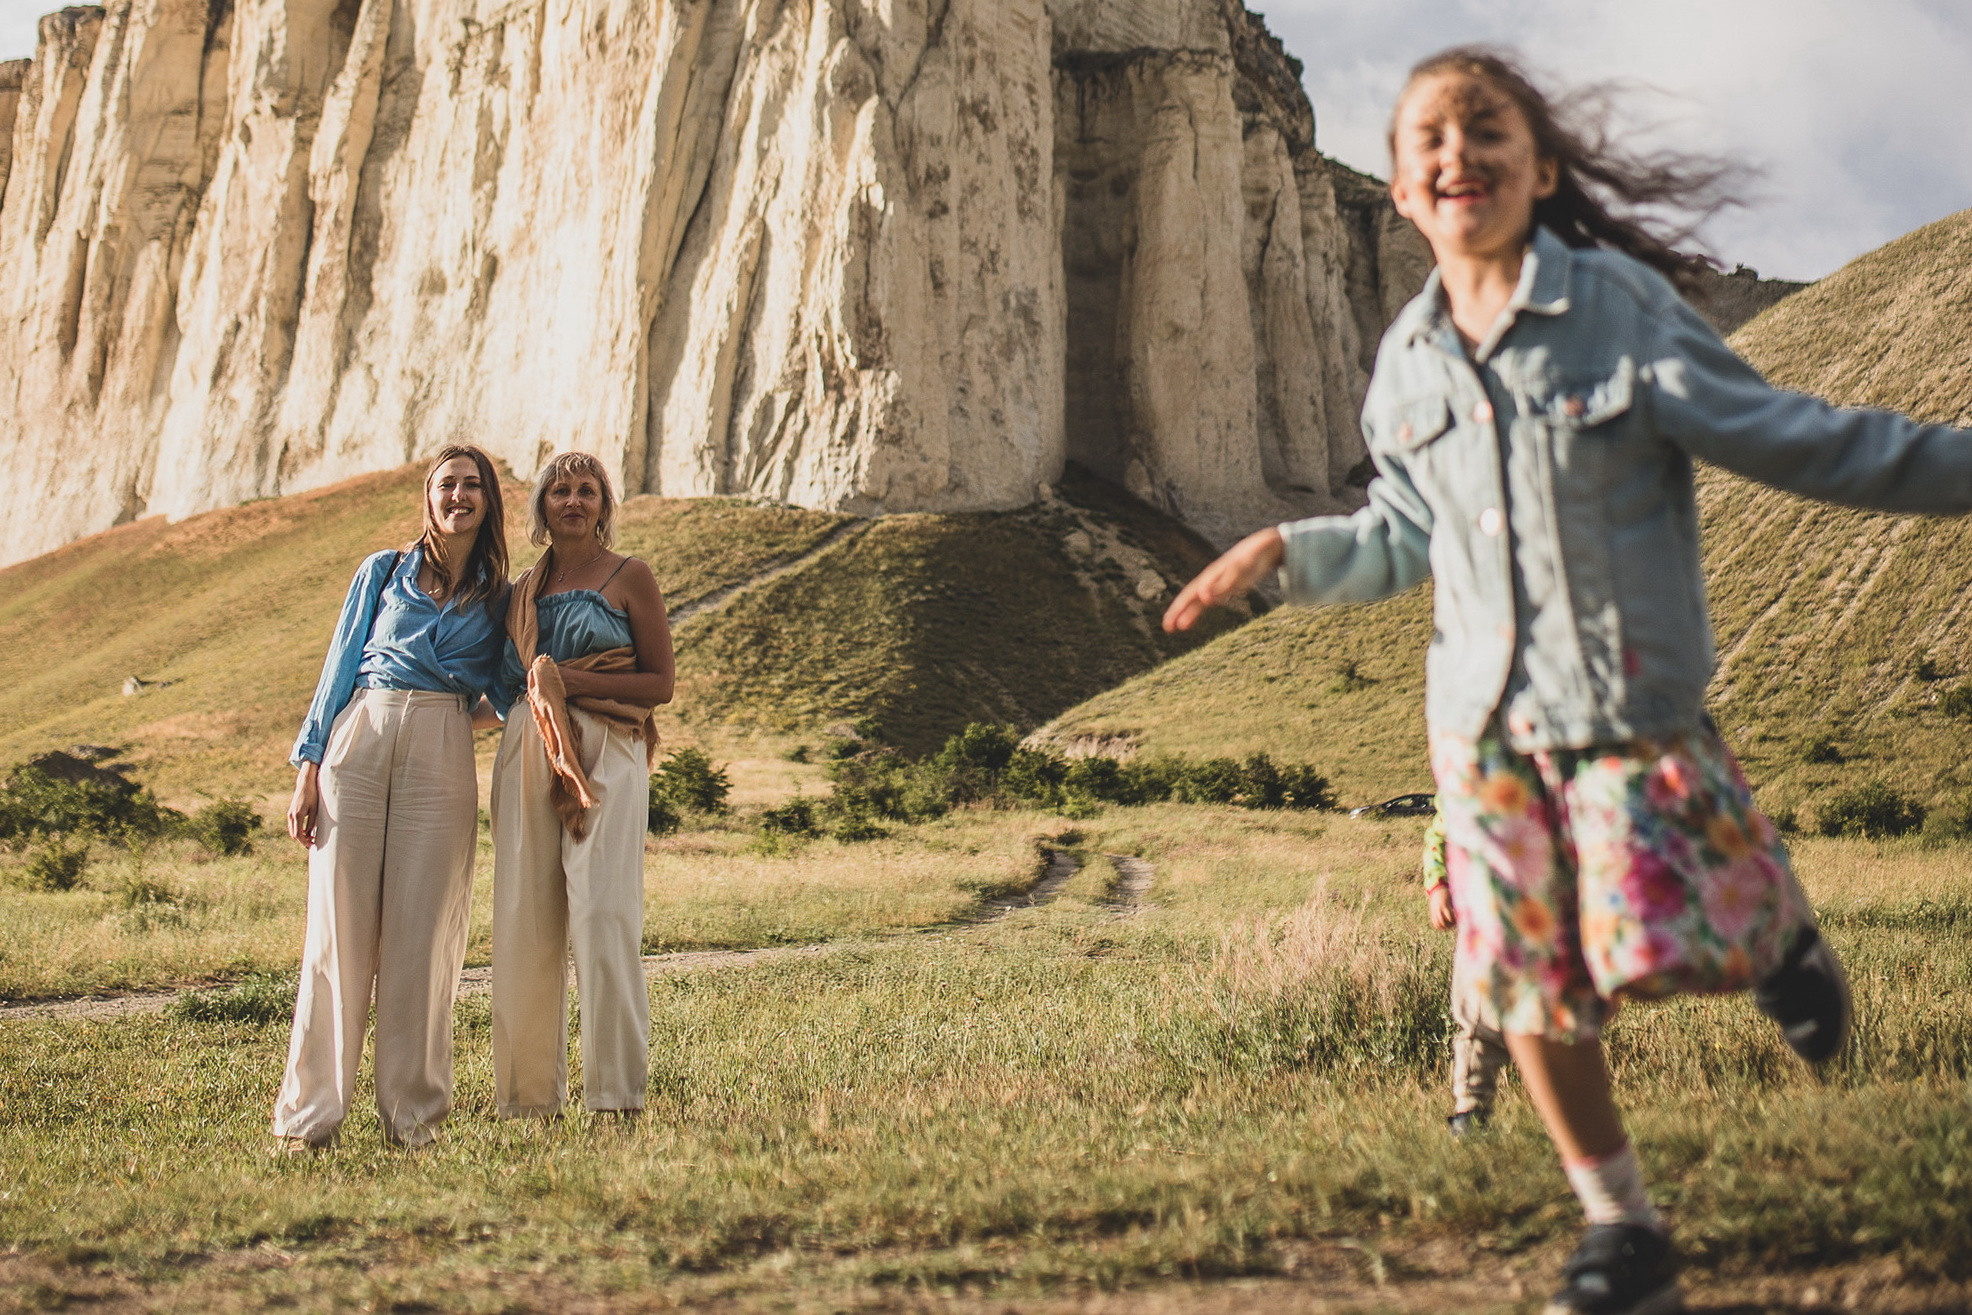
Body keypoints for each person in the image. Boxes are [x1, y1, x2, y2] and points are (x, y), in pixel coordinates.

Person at [1164, 44, 1972, 1315]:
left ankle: (1774, 938)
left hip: (1627, 711)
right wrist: (1284, 554)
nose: (1455, 153)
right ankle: (1621, 1225)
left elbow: (1791, 437)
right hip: (1479, 732)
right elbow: (1399, 538)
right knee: (1520, 981)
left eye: (1486, 130)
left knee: (1652, 947)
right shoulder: (1406, 369)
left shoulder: (1616, 309)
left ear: (1539, 168)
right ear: (1397, 189)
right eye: (1428, 136)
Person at [276, 445, 511, 1150]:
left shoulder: (503, 594)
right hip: (361, 736)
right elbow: (338, 667)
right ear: (428, 496)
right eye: (447, 484)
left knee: (424, 936)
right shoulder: (382, 571)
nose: (459, 495)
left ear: (489, 501)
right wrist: (308, 766)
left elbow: (509, 686)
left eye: (472, 485)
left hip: (441, 746)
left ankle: (414, 1121)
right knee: (335, 935)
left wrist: (451, 721)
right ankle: (309, 1120)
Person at [491, 452, 674, 1122]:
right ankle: (527, 1098)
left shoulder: (631, 577)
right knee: (523, 921)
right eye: (560, 490)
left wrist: (571, 682)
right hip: (528, 745)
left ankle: (617, 1096)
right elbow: (508, 683)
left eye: (587, 491)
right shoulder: (520, 591)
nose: (573, 500)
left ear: (604, 505)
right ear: (541, 506)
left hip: (608, 747)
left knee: (603, 916)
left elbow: (660, 684)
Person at [1421, 804, 1511, 1137]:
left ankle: (1577, 1115)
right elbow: (1439, 835)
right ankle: (1470, 1110)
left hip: (1544, 913)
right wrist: (1438, 886)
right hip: (1481, 918)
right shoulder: (1467, 773)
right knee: (1476, 1016)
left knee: (1559, 1020)